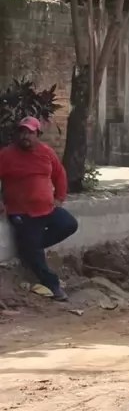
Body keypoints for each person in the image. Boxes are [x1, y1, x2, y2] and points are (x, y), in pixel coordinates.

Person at [0, 117, 76, 301]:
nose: (26, 136)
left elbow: (60, 174)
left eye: (30, 133)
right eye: (23, 132)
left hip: (47, 209)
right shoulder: (6, 155)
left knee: (69, 224)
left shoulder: (46, 152)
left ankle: (31, 247)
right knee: (35, 254)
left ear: (38, 135)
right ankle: (53, 285)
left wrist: (59, 197)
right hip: (22, 213)